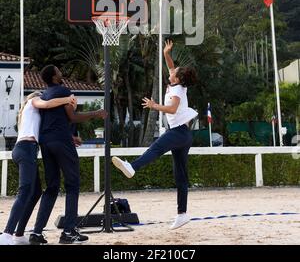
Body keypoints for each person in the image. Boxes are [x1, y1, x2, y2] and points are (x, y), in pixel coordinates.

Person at [112, 40, 197, 230]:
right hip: (184, 134)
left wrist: (154, 106)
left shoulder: (177, 90)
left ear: (177, 78)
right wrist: (167, 53)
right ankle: (182, 214)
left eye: (175, 72)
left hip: (179, 133)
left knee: (156, 148)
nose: (172, 71)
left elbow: (173, 109)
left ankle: (132, 167)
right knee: (180, 176)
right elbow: (171, 65)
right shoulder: (178, 84)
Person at [29, 65, 107, 245]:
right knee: (72, 184)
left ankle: (37, 233)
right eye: (58, 71)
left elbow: (52, 121)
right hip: (60, 142)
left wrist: (70, 137)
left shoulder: (44, 95)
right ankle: (69, 232)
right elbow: (72, 117)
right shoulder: (63, 91)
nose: (61, 72)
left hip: (46, 142)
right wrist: (96, 113)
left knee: (52, 187)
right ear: (55, 77)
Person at [0, 91, 76, 246]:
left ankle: (19, 234)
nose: (45, 98)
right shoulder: (34, 101)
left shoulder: (35, 116)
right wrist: (67, 99)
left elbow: (48, 132)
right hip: (26, 148)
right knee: (25, 191)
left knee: (35, 192)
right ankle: (7, 234)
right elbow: (48, 103)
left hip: (27, 149)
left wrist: (70, 138)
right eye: (43, 95)